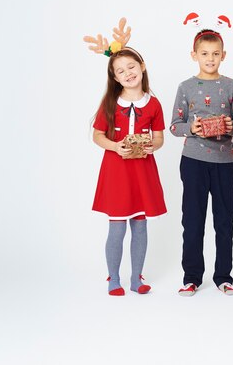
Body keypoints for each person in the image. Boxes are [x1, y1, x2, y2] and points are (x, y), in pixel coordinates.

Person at [87, 22, 166, 296]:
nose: (127, 73)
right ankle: (113, 278)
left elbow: (159, 138)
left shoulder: (153, 104)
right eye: (120, 71)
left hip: (142, 170)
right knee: (118, 228)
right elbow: (97, 136)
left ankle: (136, 278)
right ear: (115, 78)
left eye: (131, 67)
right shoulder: (110, 102)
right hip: (117, 171)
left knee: (141, 227)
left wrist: (151, 147)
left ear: (141, 66)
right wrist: (115, 146)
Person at [170, 27, 233, 296]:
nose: (210, 58)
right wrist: (192, 128)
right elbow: (174, 126)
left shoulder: (232, 86)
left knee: (224, 220)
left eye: (215, 53)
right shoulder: (186, 87)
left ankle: (223, 276)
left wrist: (230, 125)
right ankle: (191, 277)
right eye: (205, 53)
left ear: (223, 55)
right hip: (193, 161)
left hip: (225, 162)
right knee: (192, 220)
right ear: (194, 55)